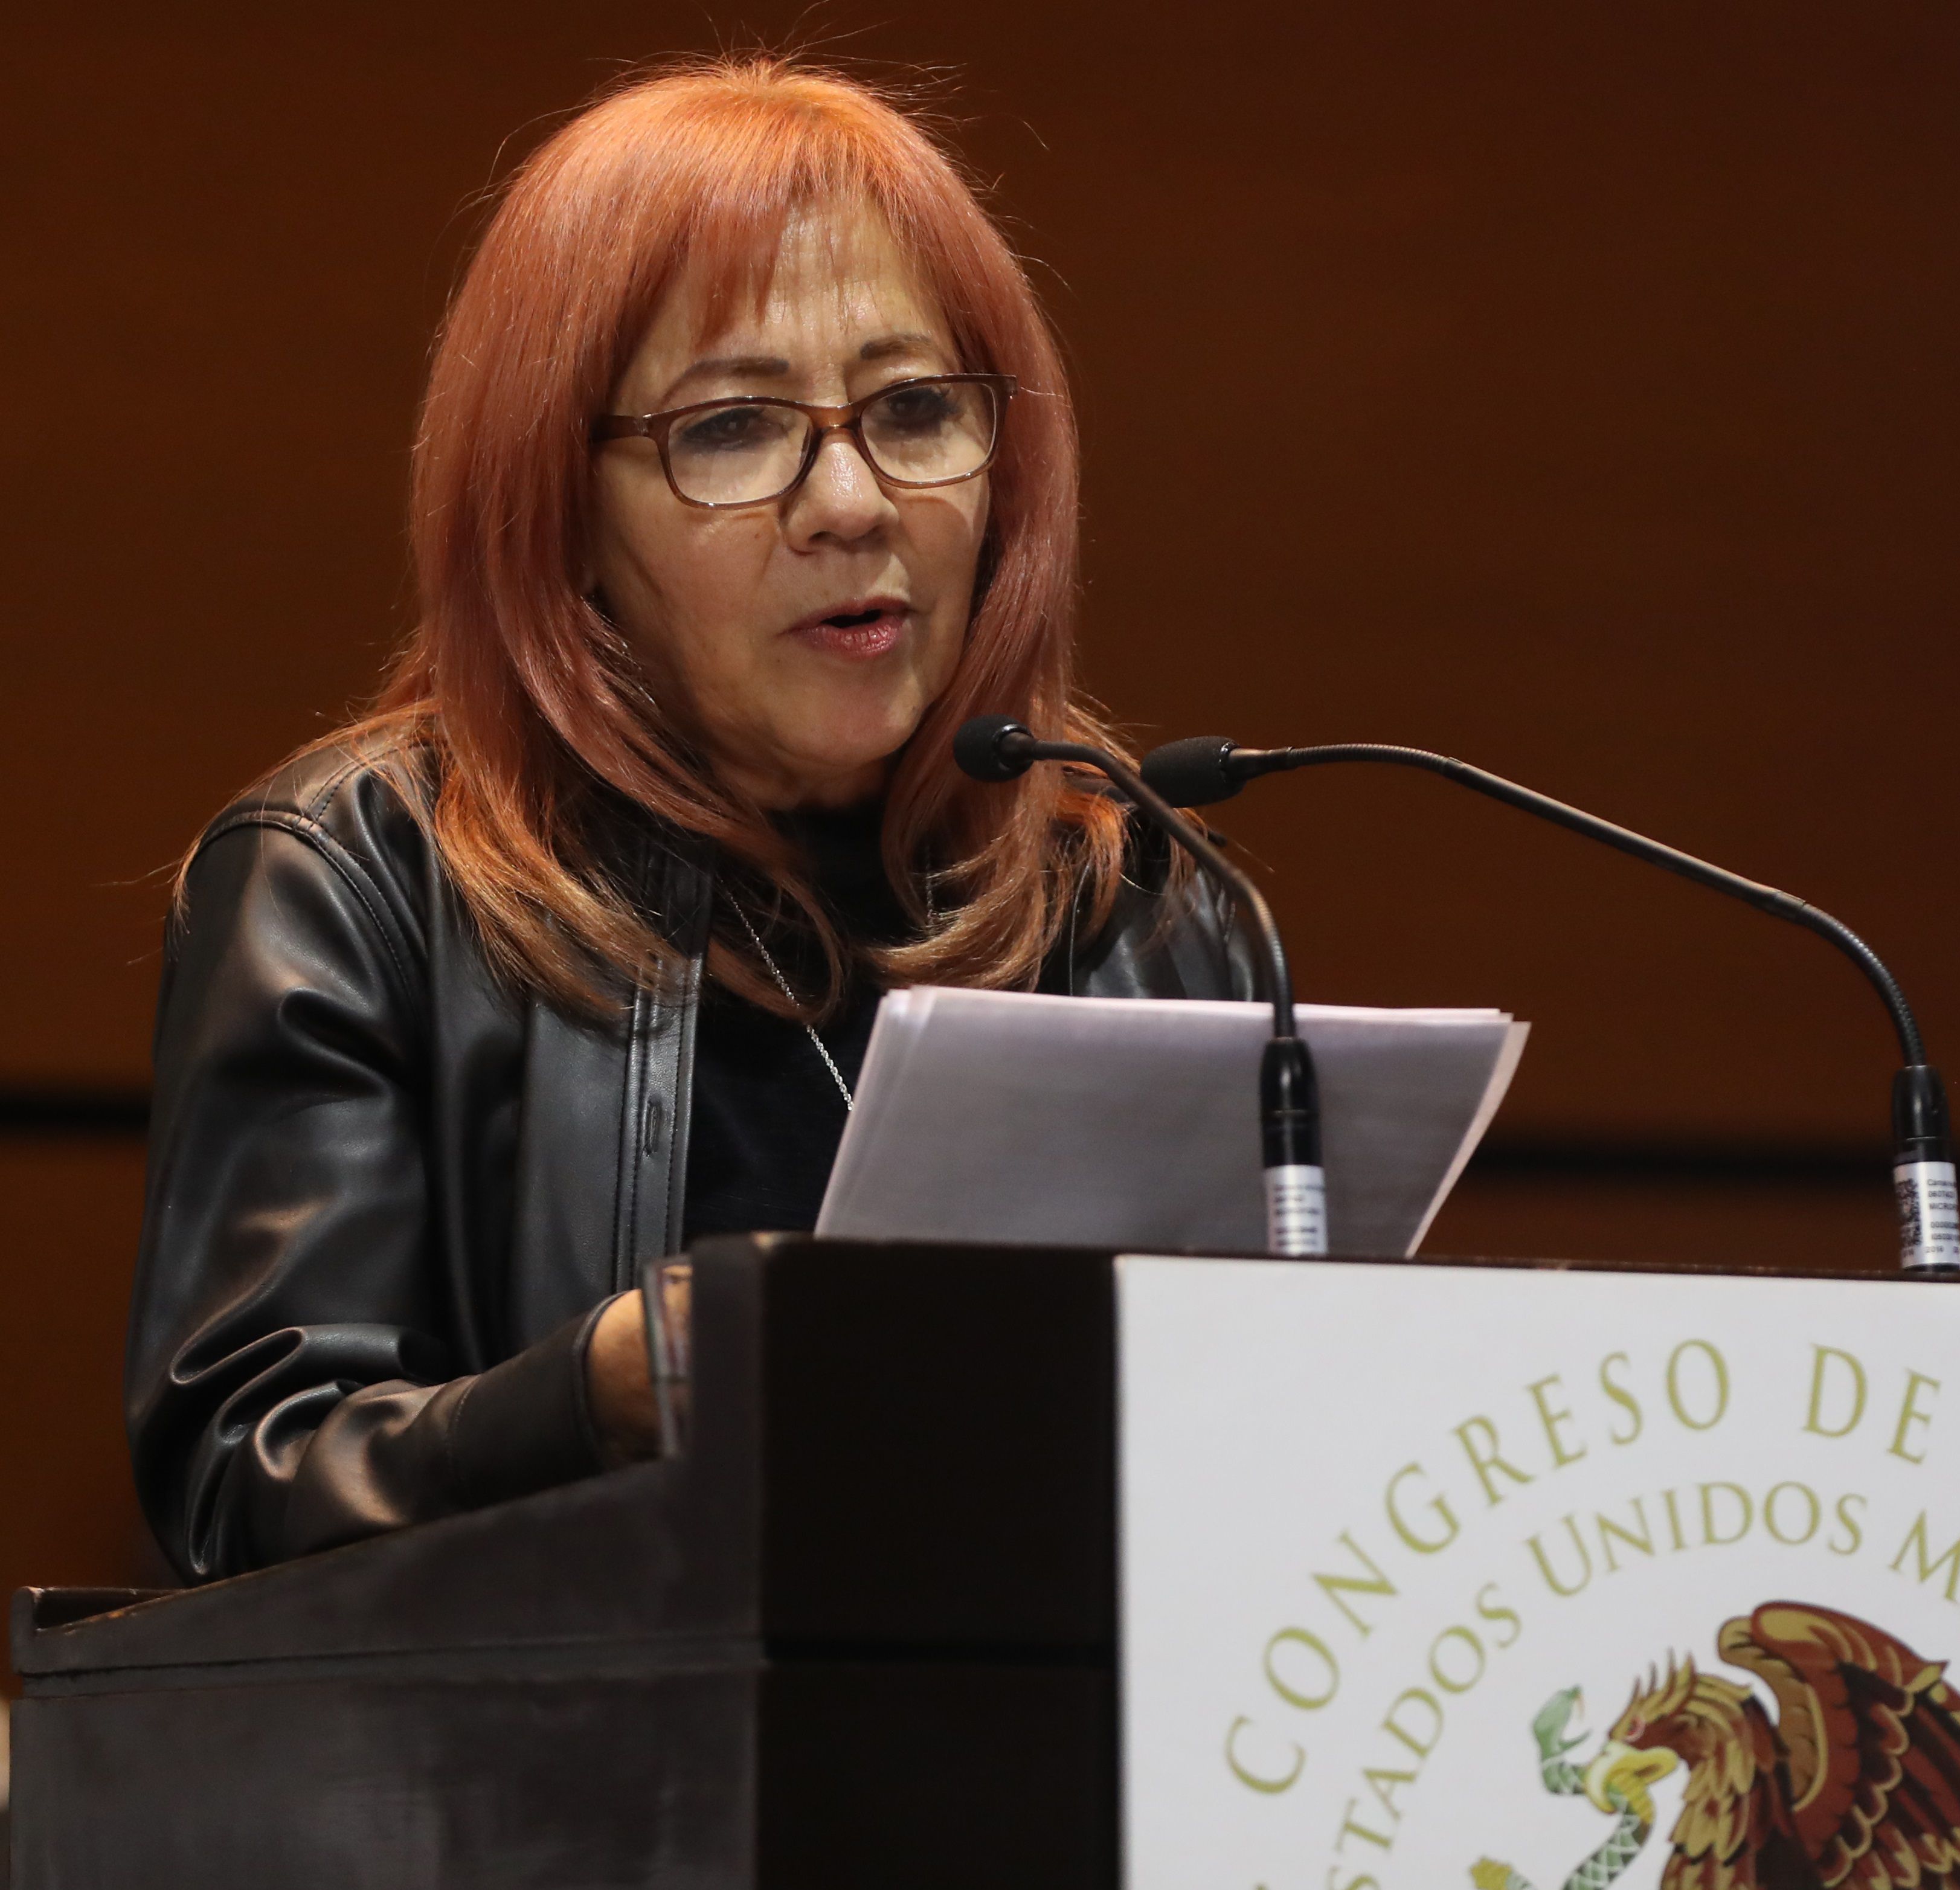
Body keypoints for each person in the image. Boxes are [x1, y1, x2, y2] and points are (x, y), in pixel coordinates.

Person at [126, 58, 1250, 1584]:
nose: (851, 500)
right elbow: (239, 1485)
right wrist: (593, 1390)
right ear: (559, 510)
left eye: (915, 409)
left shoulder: (1132, 900)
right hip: (572, 1796)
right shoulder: (359, 882)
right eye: (730, 431)